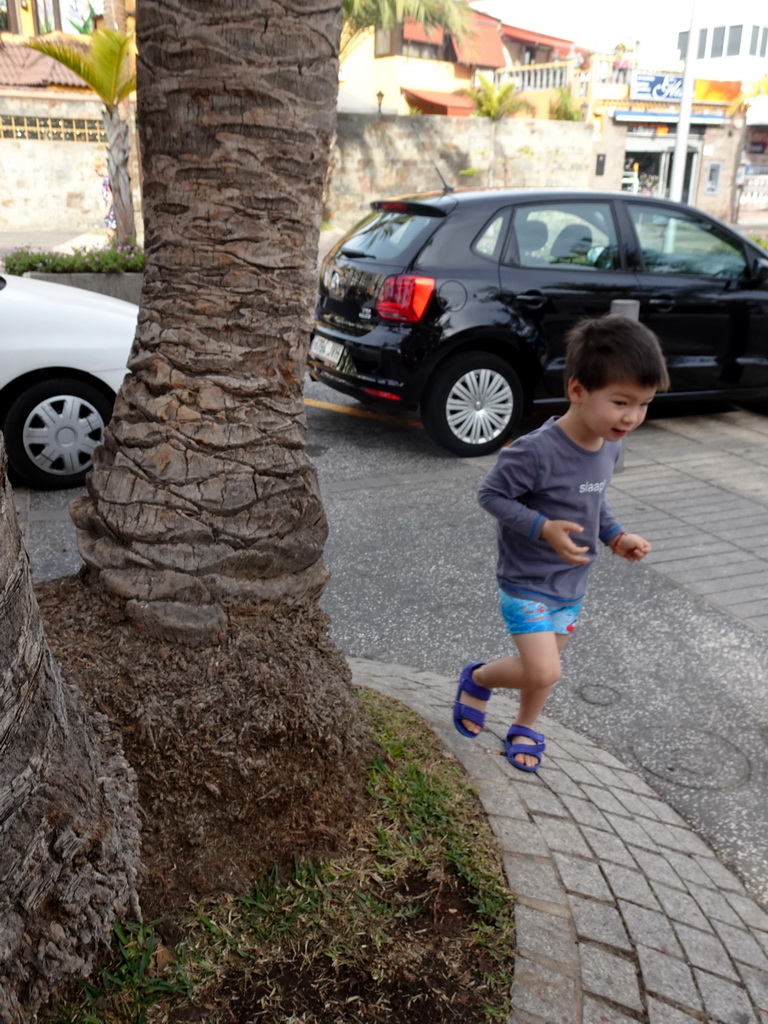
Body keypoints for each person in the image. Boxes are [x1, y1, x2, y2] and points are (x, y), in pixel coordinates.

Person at [453, 315, 670, 771]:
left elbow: (593, 500)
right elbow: (490, 495)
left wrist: (616, 535)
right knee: (544, 668)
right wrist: (543, 527)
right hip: (526, 582)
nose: (632, 417)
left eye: (644, 404)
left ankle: (525, 725)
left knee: (543, 668)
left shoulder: (610, 443)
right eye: (621, 402)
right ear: (577, 390)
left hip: (572, 585)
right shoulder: (534, 451)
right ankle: (478, 679)